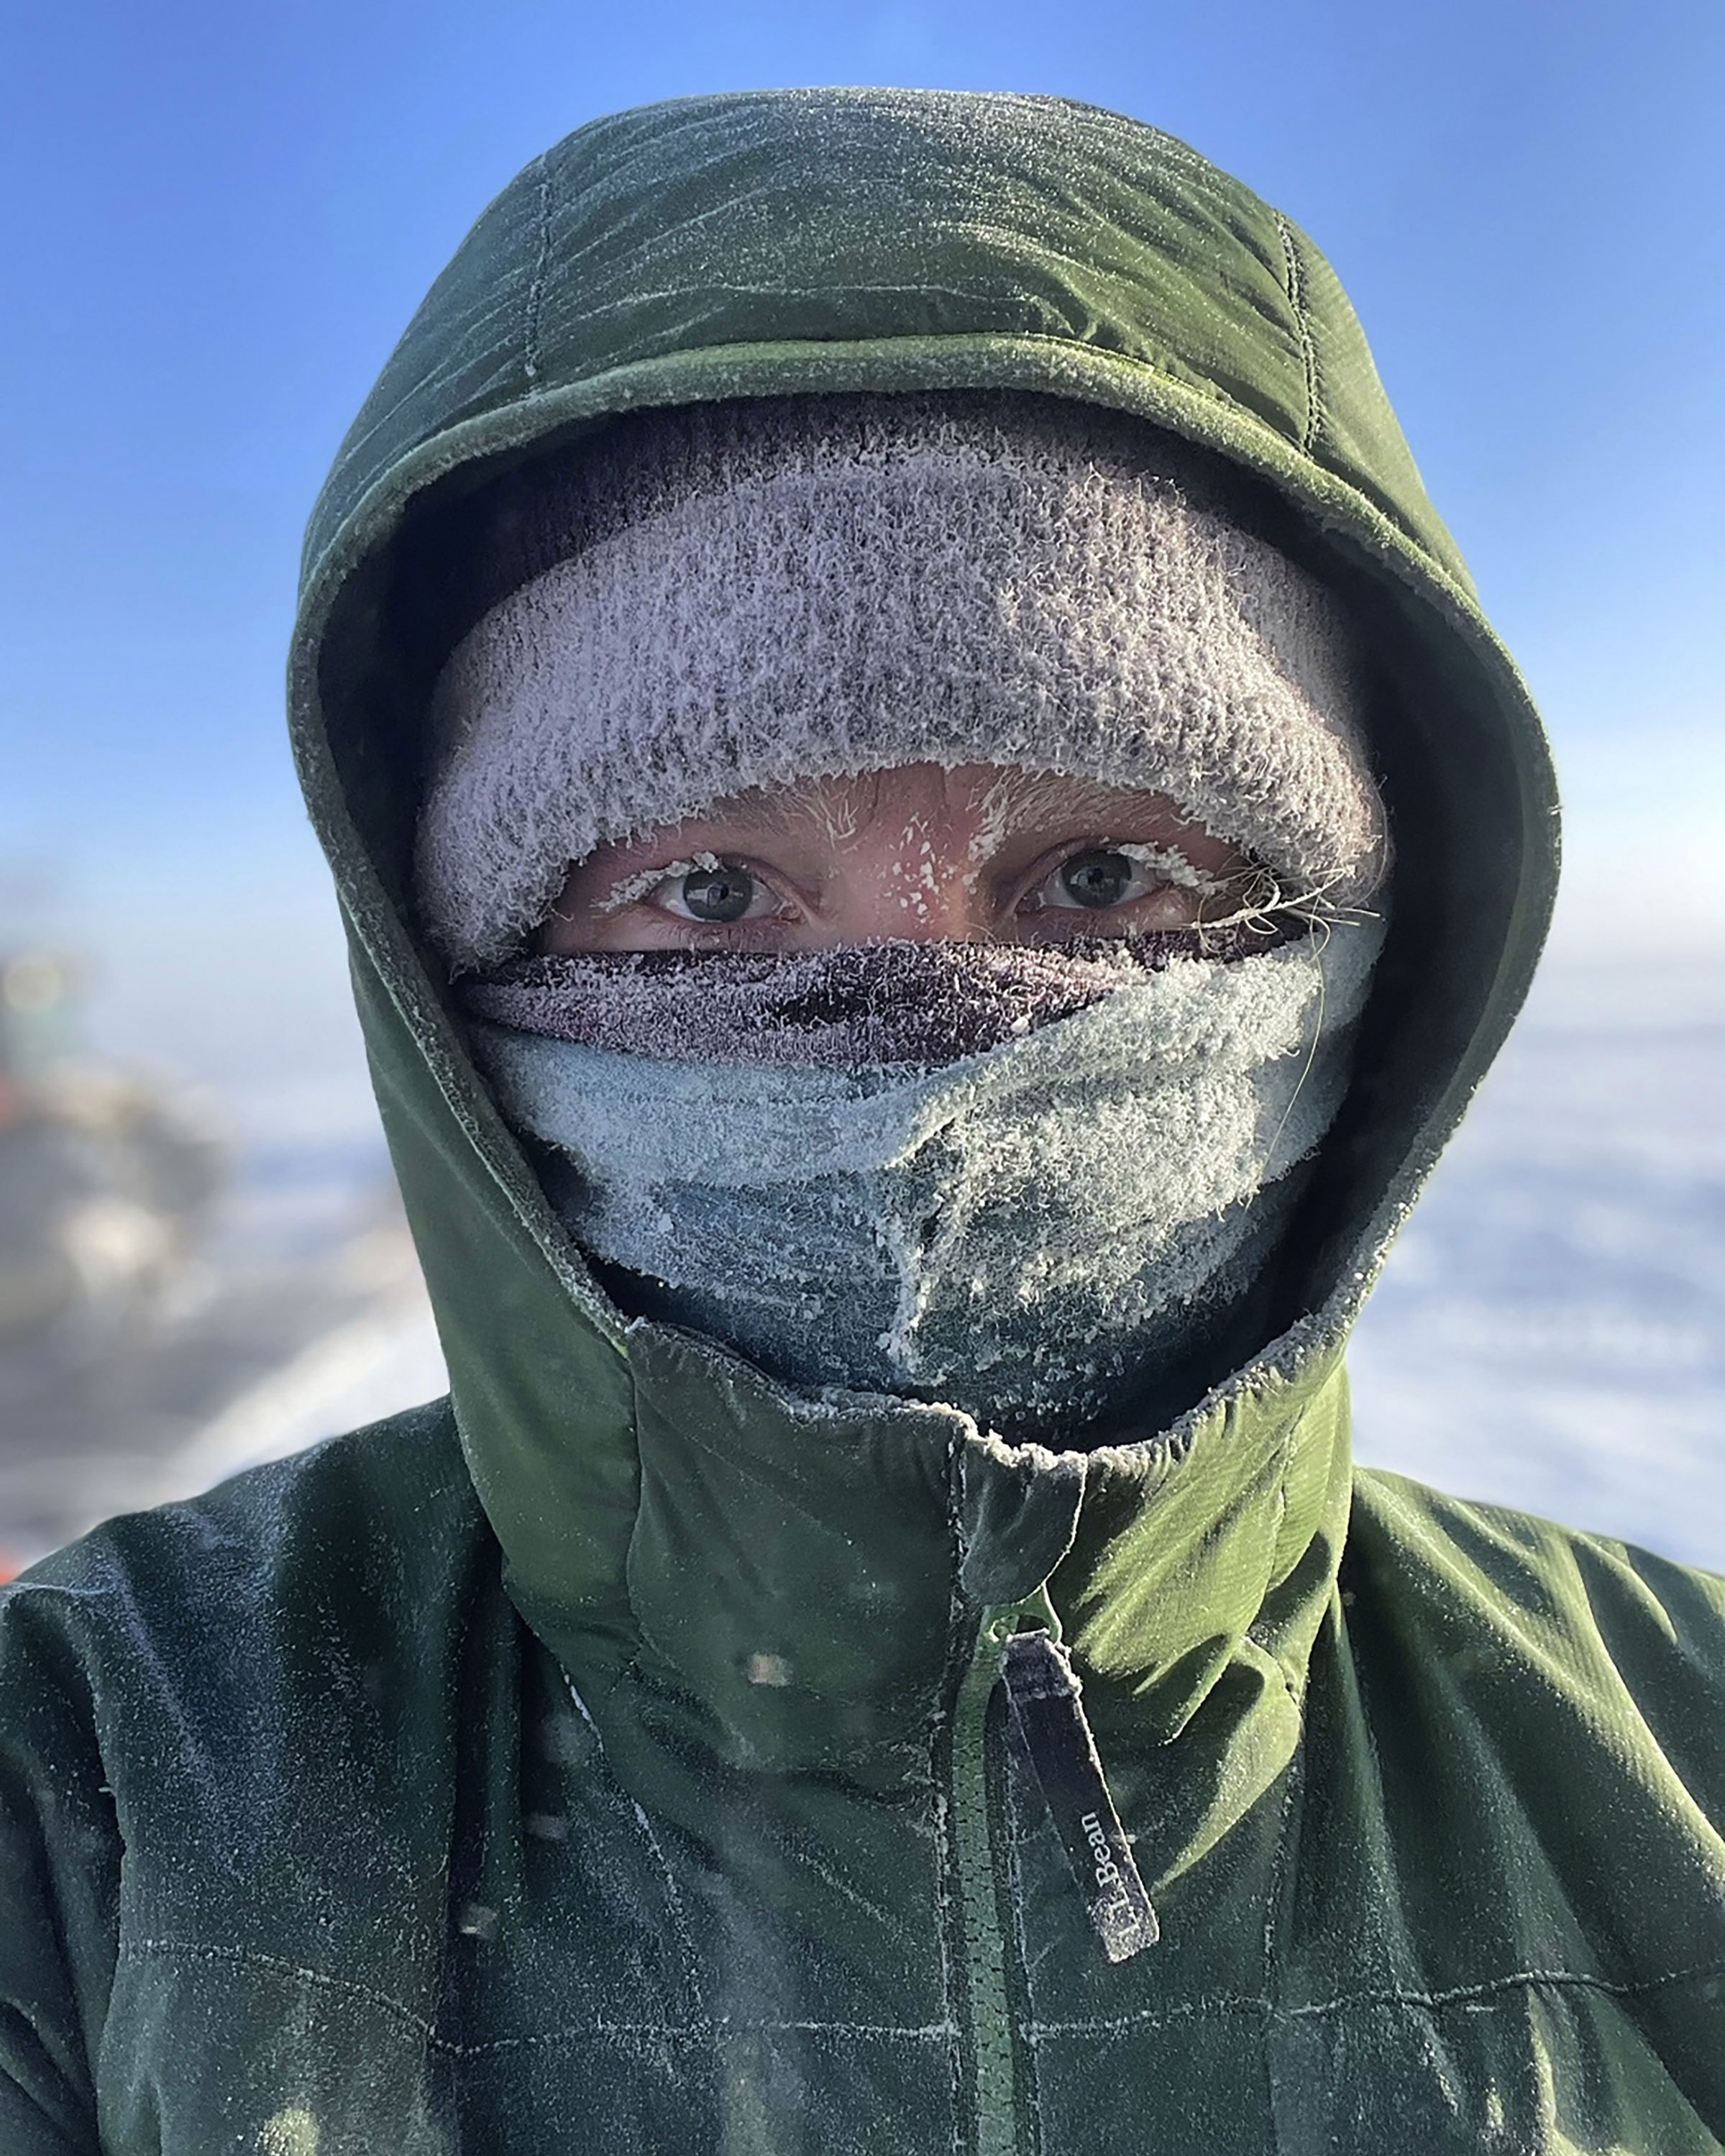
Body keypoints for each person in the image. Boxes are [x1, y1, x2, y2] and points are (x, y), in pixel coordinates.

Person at [1, 86, 1721, 2156]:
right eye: (709, 896)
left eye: (1101, 882)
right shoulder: (94, 1785)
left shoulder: (1678, 1747)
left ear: (1364, 954)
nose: (927, 1057)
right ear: (452, 970)